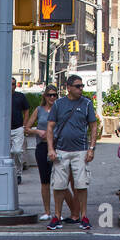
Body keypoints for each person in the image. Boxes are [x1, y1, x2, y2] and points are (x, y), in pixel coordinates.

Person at [45, 74, 100, 230]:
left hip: (81, 150)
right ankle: (56, 216)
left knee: (81, 184)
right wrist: (50, 148)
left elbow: (93, 126)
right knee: (59, 185)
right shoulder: (58, 104)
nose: (81, 89)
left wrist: (91, 148)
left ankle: (83, 216)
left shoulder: (87, 103)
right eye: (78, 86)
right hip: (61, 150)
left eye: (82, 86)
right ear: (68, 87)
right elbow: (50, 127)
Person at [24, 86, 59, 222]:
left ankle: (58, 211)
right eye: (49, 95)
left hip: (56, 147)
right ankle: (47, 211)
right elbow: (26, 128)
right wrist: (38, 132)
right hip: (42, 146)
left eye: (54, 95)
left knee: (58, 181)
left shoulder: (59, 109)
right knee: (45, 180)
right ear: (44, 96)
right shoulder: (39, 110)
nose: (52, 98)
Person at [0, 79, 30, 181]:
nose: (11, 86)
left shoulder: (20, 96)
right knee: (6, 153)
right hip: (3, 129)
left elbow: (26, 110)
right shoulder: (0, 95)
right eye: (9, 84)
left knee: (17, 151)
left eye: (13, 84)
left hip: (18, 128)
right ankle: (8, 172)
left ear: (15, 86)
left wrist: (25, 125)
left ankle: (18, 173)